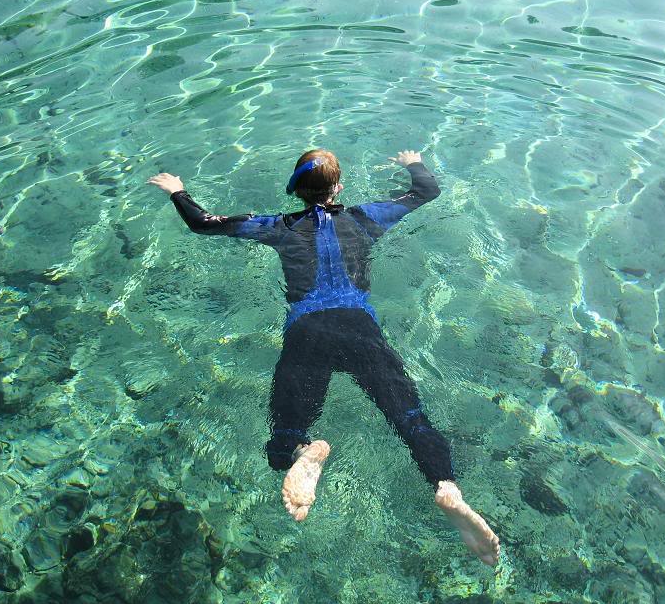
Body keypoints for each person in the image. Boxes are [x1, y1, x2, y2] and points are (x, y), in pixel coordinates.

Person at [148, 149, 500, 565]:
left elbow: (202, 223)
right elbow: (425, 191)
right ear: (340, 188)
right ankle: (446, 486)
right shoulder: (367, 218)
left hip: (307, 331)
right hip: (359, 328)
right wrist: (413, 162)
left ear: (296, 191)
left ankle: (302, 452)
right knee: (409, 417)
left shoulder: (278, 227)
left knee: (284, 434)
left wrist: (178, 191)